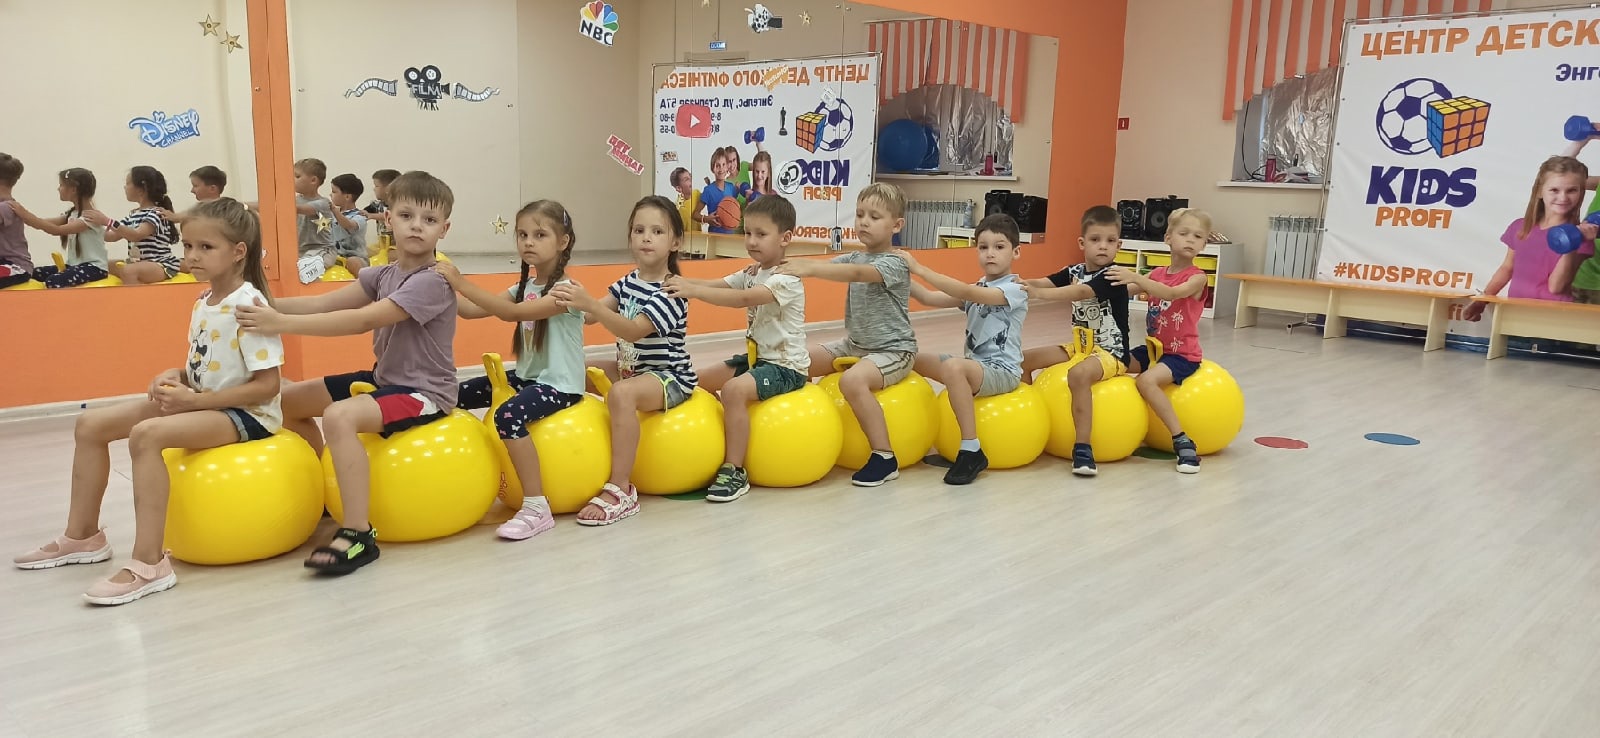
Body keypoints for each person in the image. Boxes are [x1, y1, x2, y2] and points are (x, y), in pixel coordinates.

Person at [12, 199, 283, 605]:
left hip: (247, 413)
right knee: (90, 425)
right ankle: (83, 536)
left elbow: (267, 386)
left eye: (205, 247)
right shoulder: (204, 301)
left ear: (238, 251)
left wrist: (196, 402)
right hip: (205, 402)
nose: (192, 256)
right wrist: (175, 375)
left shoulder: (249, 306)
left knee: (146, 435)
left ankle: (150, 563)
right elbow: (207, 363)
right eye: (187, 246)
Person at [236, 171, 458, 574]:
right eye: (406, 215)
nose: (416, 226)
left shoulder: (432, 282)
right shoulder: (383, 274)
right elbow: (322, 305)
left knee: (339, 416)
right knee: (286, 402)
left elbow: (362, 320)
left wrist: (278, 323)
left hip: (425, 392)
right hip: (384, 380)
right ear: (388, 219)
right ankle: (326, 495)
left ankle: (358, 533)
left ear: (443, 229)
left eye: (428, 220)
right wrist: (254, 301)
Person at [549, 196, 695, 526]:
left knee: (621, 394)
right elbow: (591, 316)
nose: (646, 238)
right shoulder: (629, 281)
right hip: (632, 370)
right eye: (639, 230)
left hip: (669, 378)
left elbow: (633, 330)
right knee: (574, 369)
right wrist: (566, 297)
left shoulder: (671, 291)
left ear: (675, 243)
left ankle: (621, 488)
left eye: (657, 231)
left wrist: (591, 306)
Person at [445, 200, 583, 539]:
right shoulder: (523, 288)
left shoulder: (567, 291)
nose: (528, 242)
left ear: (563, 241)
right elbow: (470, 311)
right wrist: (436, 281)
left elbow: (513, 314)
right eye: (522, 235)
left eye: (539, 235)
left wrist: (459, 281)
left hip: (560, 385)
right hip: (527, 378)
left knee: (507, 417)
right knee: (452, 395)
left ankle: (537, 506)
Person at [663, 194, 806, 502]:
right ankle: (722, 440)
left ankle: (735, 469)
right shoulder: (753, 271)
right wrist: (679, 282)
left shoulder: (786, 278)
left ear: (785, 238)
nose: (751, 241)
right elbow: (719, 284)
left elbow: (742, 299)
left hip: (785, 367)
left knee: (733, 391)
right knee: (697, 380)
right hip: (758, 360)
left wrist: (692, 291)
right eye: (748, 233)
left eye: (761, 234)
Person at [776, 182, 915, 487]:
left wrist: (809, 268)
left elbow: (856, 275)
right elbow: (835, 267)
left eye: (874, 217)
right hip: (854, 345)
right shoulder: (855, 257)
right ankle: (807, 430)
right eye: (860, 214)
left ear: (896, 225)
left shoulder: (895, 263)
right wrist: (777, 265)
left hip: (893, 350)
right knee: (795, 360)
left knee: (852, 381)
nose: (864, 222)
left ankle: (884, 457)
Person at [902, 214, 1029, 485]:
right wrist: (895, 273)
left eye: (999, 246)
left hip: (1002, 372)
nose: (990, 253)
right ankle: (912, 433)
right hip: (975, 367)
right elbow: (928, 297)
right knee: (909, 358)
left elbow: (968, 294)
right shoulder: (978, 286)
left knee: (953, 366)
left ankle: (971, 450)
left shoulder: (1015, 289)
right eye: (983, 247)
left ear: (1016, 252)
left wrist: (920, 269)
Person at [1020, 205, 1132, 476]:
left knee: (1078, 375)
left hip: (1112, 352)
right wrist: (1018, 283)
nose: (1103, 246)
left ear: (1119, 245)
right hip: (1081, 347)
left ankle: (1083, 447)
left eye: (1110, 241)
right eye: (1095, 240)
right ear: (1082, 243)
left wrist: (1038, 294)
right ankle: (1031, 425)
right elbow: (1046, 281)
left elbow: (1082, 292)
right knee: (1023, 360)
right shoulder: (1075, 270)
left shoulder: (1113, 275)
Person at [1106, 208, 1214, 474]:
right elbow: (1122, 292)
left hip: (1181, 355)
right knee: (1111, 362)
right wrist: (1093, 285)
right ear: (1168, 238)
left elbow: (1172, 293)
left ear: (1203, 244)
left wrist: (1136, 277)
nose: (1190, 240)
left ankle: (1182, 439)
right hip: (1153, 351)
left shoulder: (1197, 278)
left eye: (1198, 236)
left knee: (1145, 381)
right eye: (1184, 233)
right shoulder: (1156, 274)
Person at [1464, 156, 1595, 319]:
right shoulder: (1520, 227)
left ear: (1581, 193)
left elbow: (1556, 287)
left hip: (1553, 318)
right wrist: (1482, 300)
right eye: (1554, 190)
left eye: (1571, 190)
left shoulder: (1582, 238)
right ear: (1540, 191)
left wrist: (1572, 242)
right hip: (1515, 313)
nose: (1563, 197)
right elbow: (1507, 268)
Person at [11, 168, 109, 288]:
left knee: (54, 281)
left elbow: (56, 230)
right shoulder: (72, 213)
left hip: (94, 268)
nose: (58, 188)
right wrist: (19, 218)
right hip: (74, 265)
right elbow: (43, 222)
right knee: (33, 273)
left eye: (61, 185)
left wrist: (26, 214)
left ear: (73, 189)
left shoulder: (90, 217)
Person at [84, 166, 180, 285]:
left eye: (128, 183)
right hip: (137, 263)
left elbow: (136, 235)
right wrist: (91, 227)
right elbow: (111, 236)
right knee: (101, 265)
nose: (125, 187)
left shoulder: (156, 213)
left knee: (129, 271)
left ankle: (135, 296)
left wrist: (107, 221)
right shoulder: (133, 215)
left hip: (160, 264)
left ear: (141, 189)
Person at [291, 157, 336, 283]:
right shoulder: (295, 200)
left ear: (313, 180)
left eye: (297, 176)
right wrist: (244, 205)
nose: (292, 179)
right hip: (300, 251)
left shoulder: (323, 203)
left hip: (322, 250)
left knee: (305, 270)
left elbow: (298, 209)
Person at [329, 173, 370, 274]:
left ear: (347, 196)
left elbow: (349, 226)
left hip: (356, 258)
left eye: (334, 192)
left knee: (353, 262)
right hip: (334, 257)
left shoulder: (360, 216)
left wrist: (334, 210)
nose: (330, 194)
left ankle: (364, 282)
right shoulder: (331, 215)